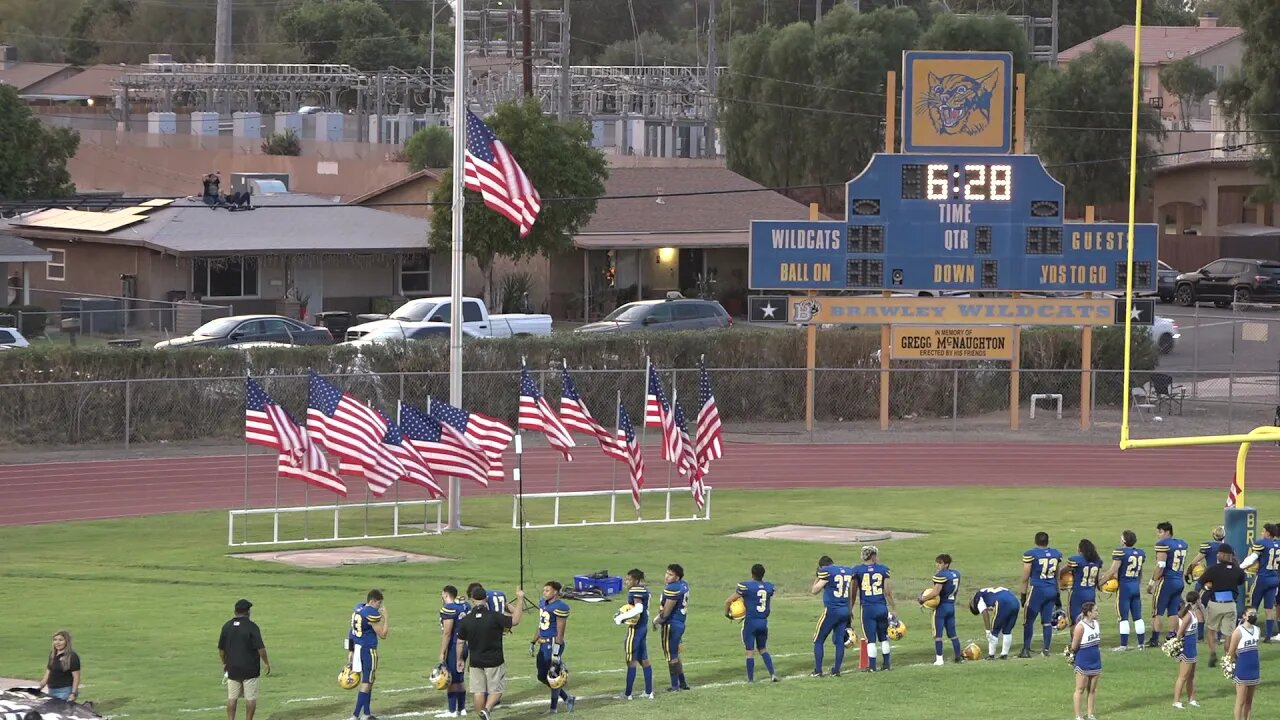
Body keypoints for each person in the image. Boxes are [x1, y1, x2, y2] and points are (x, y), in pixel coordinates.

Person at [456, 585, 525, 720]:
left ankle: (481, 715)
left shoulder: (466, 620)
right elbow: (515, 620)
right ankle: (486, 711)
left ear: (472, 600)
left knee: (478, 692)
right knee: (497, 691)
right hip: (494, 660)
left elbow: (460, 642)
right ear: (486, 599)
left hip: (475, 661)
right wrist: (520, 599)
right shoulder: (495, 617)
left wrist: (459, 659)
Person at [217, 600, 270, 720]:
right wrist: (266, 663)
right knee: (250, 698)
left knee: (232, 697)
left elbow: (221, 649)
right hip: (250, 669)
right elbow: (260, 649)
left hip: (232, 668)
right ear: (248, 612)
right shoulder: (252, 627)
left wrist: (224, 663)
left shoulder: (227, 626)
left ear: (235, 611)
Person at [725, 563, 777, 683]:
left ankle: (750, 679)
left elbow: (728, 601)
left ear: (752, 574)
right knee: (763, 649)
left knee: (750, 652)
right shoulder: (769, 587)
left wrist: (727, 614)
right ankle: (773, 674)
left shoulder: (746, 586)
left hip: (751, 622)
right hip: (763, 622)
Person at [1199, 543, 1247, 667]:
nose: (1217, 555)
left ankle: (1213, 652)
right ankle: (1228, 656)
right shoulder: (1238, 570)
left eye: (1219, 553)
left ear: (1223, 554)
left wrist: (1208, 585)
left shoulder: (1213, 569)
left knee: (1211, 629)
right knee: (1229, 633)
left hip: (1215, 603)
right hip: (1230, 604)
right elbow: (1241, 581)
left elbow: (1201, 581)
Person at [851, 545, 897, 672]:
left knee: (871, 639)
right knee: (883, 637)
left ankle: (872, 666)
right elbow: (887, 592)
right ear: (873, 556)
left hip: (868, 609)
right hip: (881, 607)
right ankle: (887, 664)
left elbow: (853, 593)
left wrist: (850, 608)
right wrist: (893, 608)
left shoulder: (857, 570)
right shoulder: (883, 569)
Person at [1099, 529, 1146, 650]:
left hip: (1125, 588)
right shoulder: (1140, 553)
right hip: (1135, 586)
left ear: (1124, 540)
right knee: (1138, 617)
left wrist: (1099, 583)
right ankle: (1141, 644)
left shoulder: (1120, 552)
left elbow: (1112, 571)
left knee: (1123, 617)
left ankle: (1123, 645)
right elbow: (1139, 572)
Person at [532, 581, 575, 713]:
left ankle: (553, 708)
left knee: (553, 675)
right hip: (543, 644)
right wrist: (533, 641)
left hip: (553, 643)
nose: (544, 593)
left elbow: (560, 631)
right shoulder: (543, 603)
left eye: (547, 591)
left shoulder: (560, 606)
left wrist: (556, 652)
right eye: (544, 590)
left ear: (555, 592)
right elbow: (541, 625)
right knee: (541, 676)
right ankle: (567, 697)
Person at [1019, 531, 1063, 657]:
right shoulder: (1055, 554)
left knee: (1028, 621)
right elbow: (1057, 576)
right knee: (1047, 621)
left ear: (1035, 541)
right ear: (1047, 541)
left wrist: (1023, 595)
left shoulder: (1031, 554)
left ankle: (1026, 649)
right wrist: (1058, 595)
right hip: (1051, 590)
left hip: (1038, 590)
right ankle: (1046, 650)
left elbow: (1025, 577)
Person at [613, 569, 654, 700]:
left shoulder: (635, 590)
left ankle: (627, 694)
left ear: (636, 580)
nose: (626, 582)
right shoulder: (644, 590)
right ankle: (649, 692)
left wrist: (622, 617)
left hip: (635, 630)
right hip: (642, 628)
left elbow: (639, 609)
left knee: (631, 661)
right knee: (644, 660)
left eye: (629, 579)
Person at [810, 554, 854, 676]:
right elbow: (849, 592)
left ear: (822, 566)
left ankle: (818, 670)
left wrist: (817, 577)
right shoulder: (846, 571)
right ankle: (836, 670)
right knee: (839, 641)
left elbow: (814, 590)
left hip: (832, 611)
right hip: (844, 610)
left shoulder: (826, 572)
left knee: (818, 640)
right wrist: (850, 610)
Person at [348, 589, 388, 720]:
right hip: (368, 649)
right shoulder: (370, 613)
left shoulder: (358, 609)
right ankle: (355, 715)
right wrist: (386, 618)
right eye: (379, 603)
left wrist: (350, 651)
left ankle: (366, 713)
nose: (380, 607)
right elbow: (383, 635)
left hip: (358, 648)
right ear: (372, 601)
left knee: (370, 680)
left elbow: (351, 633)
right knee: (367, 682)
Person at [918, 553, 963, 664]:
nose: (938, 565)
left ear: (946, 564)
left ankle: (939, 659)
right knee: (953, 633)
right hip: (951, 606)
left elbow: (936, 592)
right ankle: (958, 657)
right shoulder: (956, 574)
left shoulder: (941, 575)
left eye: (940, 563)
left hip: (941, 607)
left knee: (938, 635)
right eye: (937, 562)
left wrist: (923, 598)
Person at [1150, 521, 1190, 647]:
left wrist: (1152, 581)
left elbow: (1161, 566)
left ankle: (1155, 639)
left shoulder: (1163, 544)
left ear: (1167, 532)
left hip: (1167, 581)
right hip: (1179, 581)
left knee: (1158, 611)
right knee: (1173, 611)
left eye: (1160, 532)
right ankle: (1172, 636)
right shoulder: (1182, 544)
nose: (1158, 535)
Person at [1241, 523, 1280, 641]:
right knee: (1269, 608)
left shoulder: (1262, 543)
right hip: (1275, 579)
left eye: (1263, 531)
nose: (1262, 533)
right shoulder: (1278, 544)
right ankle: (1268, 636)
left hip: (1263, 578)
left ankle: (1249, 632)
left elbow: (1252, 558)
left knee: (1253, 606)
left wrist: (1240, 566)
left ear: (1268, 533)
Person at [654, 563, 691, 691]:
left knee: (671, 655)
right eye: (667, 573)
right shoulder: (684, 585)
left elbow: (667, 611)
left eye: (671, 574)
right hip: (680, 623)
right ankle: (683, 683)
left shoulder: (673, 588)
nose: (667, 576)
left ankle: (674, 686)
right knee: (675, 654)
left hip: (671, 624)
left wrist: (657, 621)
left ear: (677, 577)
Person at [1187, 525, 1226, 642]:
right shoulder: (1228, 547)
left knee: (1197, 603)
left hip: (1209, 579)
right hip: (1223, 580)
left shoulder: (1208, 546)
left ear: (1214, 535)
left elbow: (1195, 561)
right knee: (1220, 607)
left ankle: (1200, 636)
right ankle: (1220, 636)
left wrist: (1187, 571)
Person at [437, 586, 469, 718]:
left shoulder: (449, 608)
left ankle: (452, 710)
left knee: (451, 679)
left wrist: (442, 652)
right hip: (464, 644)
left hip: (454, 646)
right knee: (459, 678)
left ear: (445, 594)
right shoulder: (465, 606)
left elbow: (447, 633)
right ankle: (462, 708)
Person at [1068, 601, 1102, 720]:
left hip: (1096, 659)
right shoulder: (1080, 627)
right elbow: (1074, 646)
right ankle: (1078, 716)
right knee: (1080, 689)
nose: (1098, 612)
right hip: (1083, 660)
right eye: (1096, 610)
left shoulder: (1097, 623)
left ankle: (1090, 714)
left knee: (1092, 689)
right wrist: (1071, 655)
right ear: (1089, 612)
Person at [1226, 608, 1261, 720]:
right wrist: (1233, 664)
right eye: (1251, 614)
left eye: (1255, 613)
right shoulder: (1238, 631)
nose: (1253, 615)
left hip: (1254, 667)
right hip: (1242, 668)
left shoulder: (1257, 630)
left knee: (1249, 701)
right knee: (1240, 700)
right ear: (1244, 616)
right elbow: (1231, 652)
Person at [1172, 590, 1204, 709]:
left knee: (1191, 676)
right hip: (1187, 648)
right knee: (1183, 676)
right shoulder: (1188, 615)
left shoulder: (1193, 612)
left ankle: (1192, 699)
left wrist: (1200, 607)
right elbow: (1179, 634)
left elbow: (1203, 619)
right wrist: (1178, 648)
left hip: (1192, 647)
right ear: (1197, 600)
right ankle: (1176, 701)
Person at [970, 586, 1021, 660]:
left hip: (1002, 602)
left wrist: (987, 630)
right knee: (1007, 630)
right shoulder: (987, 592)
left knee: (994, 630)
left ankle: (991, 655)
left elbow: (984, 612)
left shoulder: (978, 597)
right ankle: (1004, 654)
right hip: (1015, 601)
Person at [1063, 539, 1103, 626]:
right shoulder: (1097, 561)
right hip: (1091, 594)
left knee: (1073, 622)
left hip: (1077, 594)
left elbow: (1062, 571)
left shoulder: (1076, 560)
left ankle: (1075, 639)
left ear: (1080, 549)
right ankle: (1092, 638)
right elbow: (1096, 581)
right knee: (1091, 619)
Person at [36, 630, 80, 702]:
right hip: (52, 690)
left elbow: (76, 677)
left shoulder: (72, 656)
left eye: (61, 640)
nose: (57, 642)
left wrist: (73, 693)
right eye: (55, 640)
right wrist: (40, 687)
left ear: (67, 641)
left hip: (64, 691)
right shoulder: (53, 654)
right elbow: (48, 672)